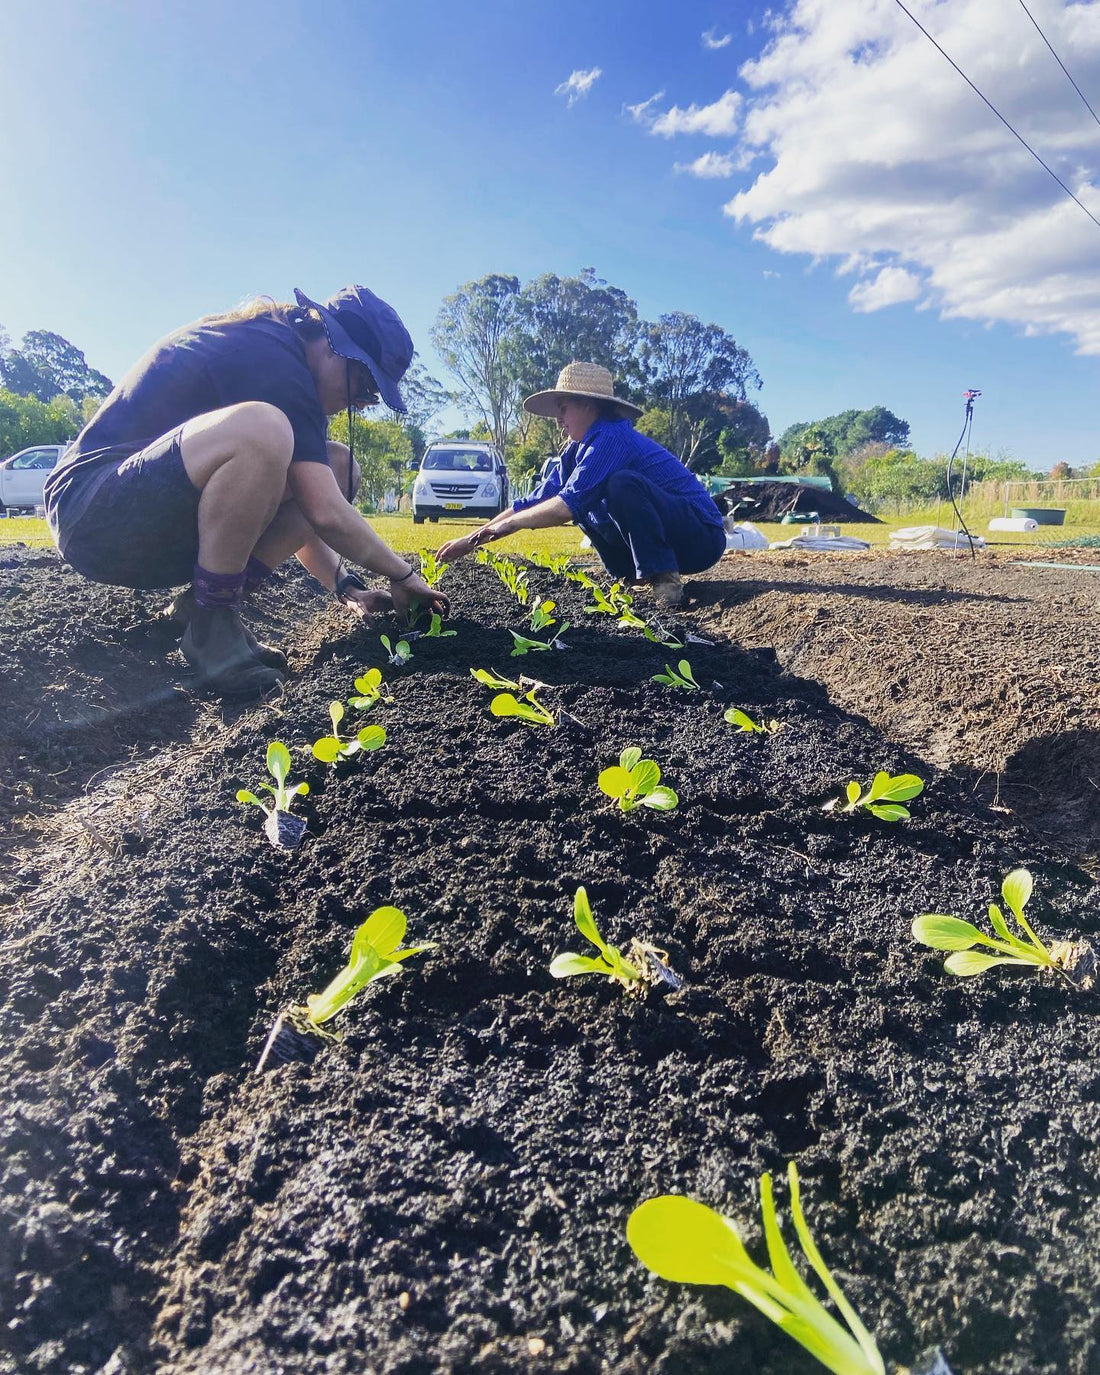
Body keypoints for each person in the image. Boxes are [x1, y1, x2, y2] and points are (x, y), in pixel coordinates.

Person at [44, 285, 444, 695]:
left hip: (145, 514)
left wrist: (346, 586)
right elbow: (324, 511)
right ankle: (213, 624)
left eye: (371, 396)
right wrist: (403, 574)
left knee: (339, 468)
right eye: (362, 382)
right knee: (264, 428)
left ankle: (200, 612)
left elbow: (309, 509)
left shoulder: (294, 373)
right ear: (331, 344)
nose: (360, 402)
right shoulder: (271, 353)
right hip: (93, 511)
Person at [436, 362, 725, 606]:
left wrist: (509, 526)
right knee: (582, 499)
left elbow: (564, 508)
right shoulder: (576, 451)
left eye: (563, 409)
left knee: (620, 485)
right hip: (677, 538)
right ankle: (631, 577)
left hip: (701, 537)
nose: (559, 420)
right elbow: (533, 502)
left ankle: (666, 583)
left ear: (588, 404)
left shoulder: (612, 437)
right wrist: (472, 538)